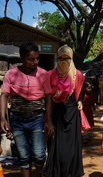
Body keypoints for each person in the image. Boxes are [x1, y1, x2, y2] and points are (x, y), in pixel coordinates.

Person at [0, 42, 54, 177]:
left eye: (37, 58)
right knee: (23, 157)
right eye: (31, 59)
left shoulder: (43, 74)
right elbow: (4, 95)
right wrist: (2, 118)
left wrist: (48, 121)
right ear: (22, 58)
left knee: (39, 155)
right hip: (17, 120)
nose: (35, 62)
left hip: (37, 119)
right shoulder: (11, 74)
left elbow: (48, 98)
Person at [42, 45, 85, 177]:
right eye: (61, 58)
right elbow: (45, 95)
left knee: (71, 149)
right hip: (56, 114)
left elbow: (81, 92)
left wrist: (80, 101)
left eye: (67, 58)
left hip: (72, 115)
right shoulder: (49, 75)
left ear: (71, 59)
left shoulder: (77, 75)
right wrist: (53, 99)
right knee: (57, 148)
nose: (64, 61)